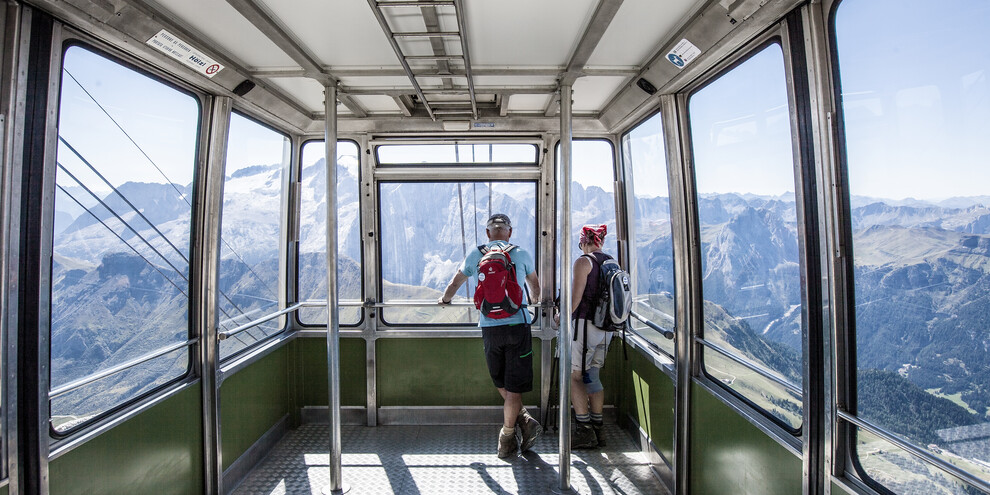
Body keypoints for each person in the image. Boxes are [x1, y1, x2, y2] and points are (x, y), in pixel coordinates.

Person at [438, 213, 543, 459]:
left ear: (488, 233)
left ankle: (522, 422)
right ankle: (509, 435)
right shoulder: (521, 253)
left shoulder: (476, 254)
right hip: (518, 326)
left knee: (500, 382)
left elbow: (455, 283)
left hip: (489, 328)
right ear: (510, 231)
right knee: (514, 387)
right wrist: (535, 303)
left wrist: (444, 300)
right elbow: (535, 287)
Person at [567, 224, 614, 449]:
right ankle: (599, 429)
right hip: (606, 330)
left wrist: (560, 317)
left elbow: (575, 300)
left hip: (584, 328)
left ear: (584, 241)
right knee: (593, 375)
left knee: (575, 376)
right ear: (601, 241)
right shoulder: (612, 263)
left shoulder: (583, 262)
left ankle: (584, 430)